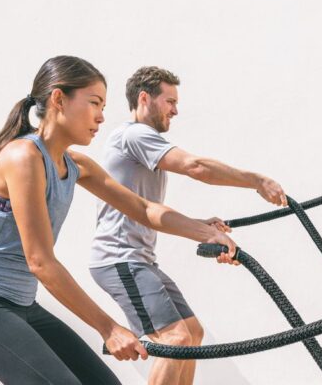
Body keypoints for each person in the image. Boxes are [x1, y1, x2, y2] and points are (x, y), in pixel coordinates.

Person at [0, 56, 239, 385]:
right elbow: (40, 262)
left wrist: (204, 232)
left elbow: (143, 210)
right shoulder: (23, 157)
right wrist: (109, 328)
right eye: (94, 103)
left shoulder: (76, 165)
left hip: (21, 305)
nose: (100, 117)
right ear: (58, 99)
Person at [89, 66, 287, 385]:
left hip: (139, 260)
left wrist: (199, 224)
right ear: (144, 98)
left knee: (191, 334)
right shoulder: (135, 134)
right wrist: (255, 180)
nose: (176, 110)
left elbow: (144, 208)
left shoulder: (137, 142)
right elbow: (195, 167)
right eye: (169, 101)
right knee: (175, 340)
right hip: (119, 260)